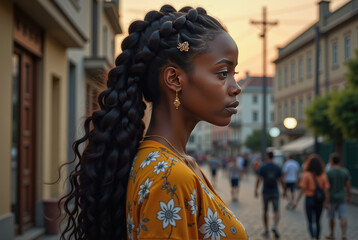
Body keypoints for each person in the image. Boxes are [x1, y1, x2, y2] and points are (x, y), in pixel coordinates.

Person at [60, 5, 248, 240]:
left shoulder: (169, 162)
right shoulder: (169, 176)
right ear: (174, 79)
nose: (236, 87)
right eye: (222, 73)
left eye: (234, 74)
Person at [293, 154, 330, 240]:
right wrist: (327, 202)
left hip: (309, 199)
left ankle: (313, 237)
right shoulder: (323, 175)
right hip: (319, 200)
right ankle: (317, 237)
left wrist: (296, 201)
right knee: (318, 221)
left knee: (310, 221)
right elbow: (326, 191)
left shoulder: (306, 175)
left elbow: (302, 189)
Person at [255, 151, 285, 239]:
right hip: (275, 192)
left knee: (265, 211)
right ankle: (275, 225)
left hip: (265, 192)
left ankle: (266, 230)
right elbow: (281, 180)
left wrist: (256, 190)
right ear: (273, 157)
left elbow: (259, 179)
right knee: (276, 211)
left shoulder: (263, 167)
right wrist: (285, 190)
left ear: (267, 157)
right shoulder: (277, 167)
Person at [325, 153, 351, 240]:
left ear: (331, 161)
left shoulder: (329, 173)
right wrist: (348, 196)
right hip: (341, 197)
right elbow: (348, 186)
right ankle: (343, 234)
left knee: (331, 217)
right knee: (342, 216)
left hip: (332, 198)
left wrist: (326, 201)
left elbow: (327, 188)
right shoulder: (345, 171)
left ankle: (332, 234)